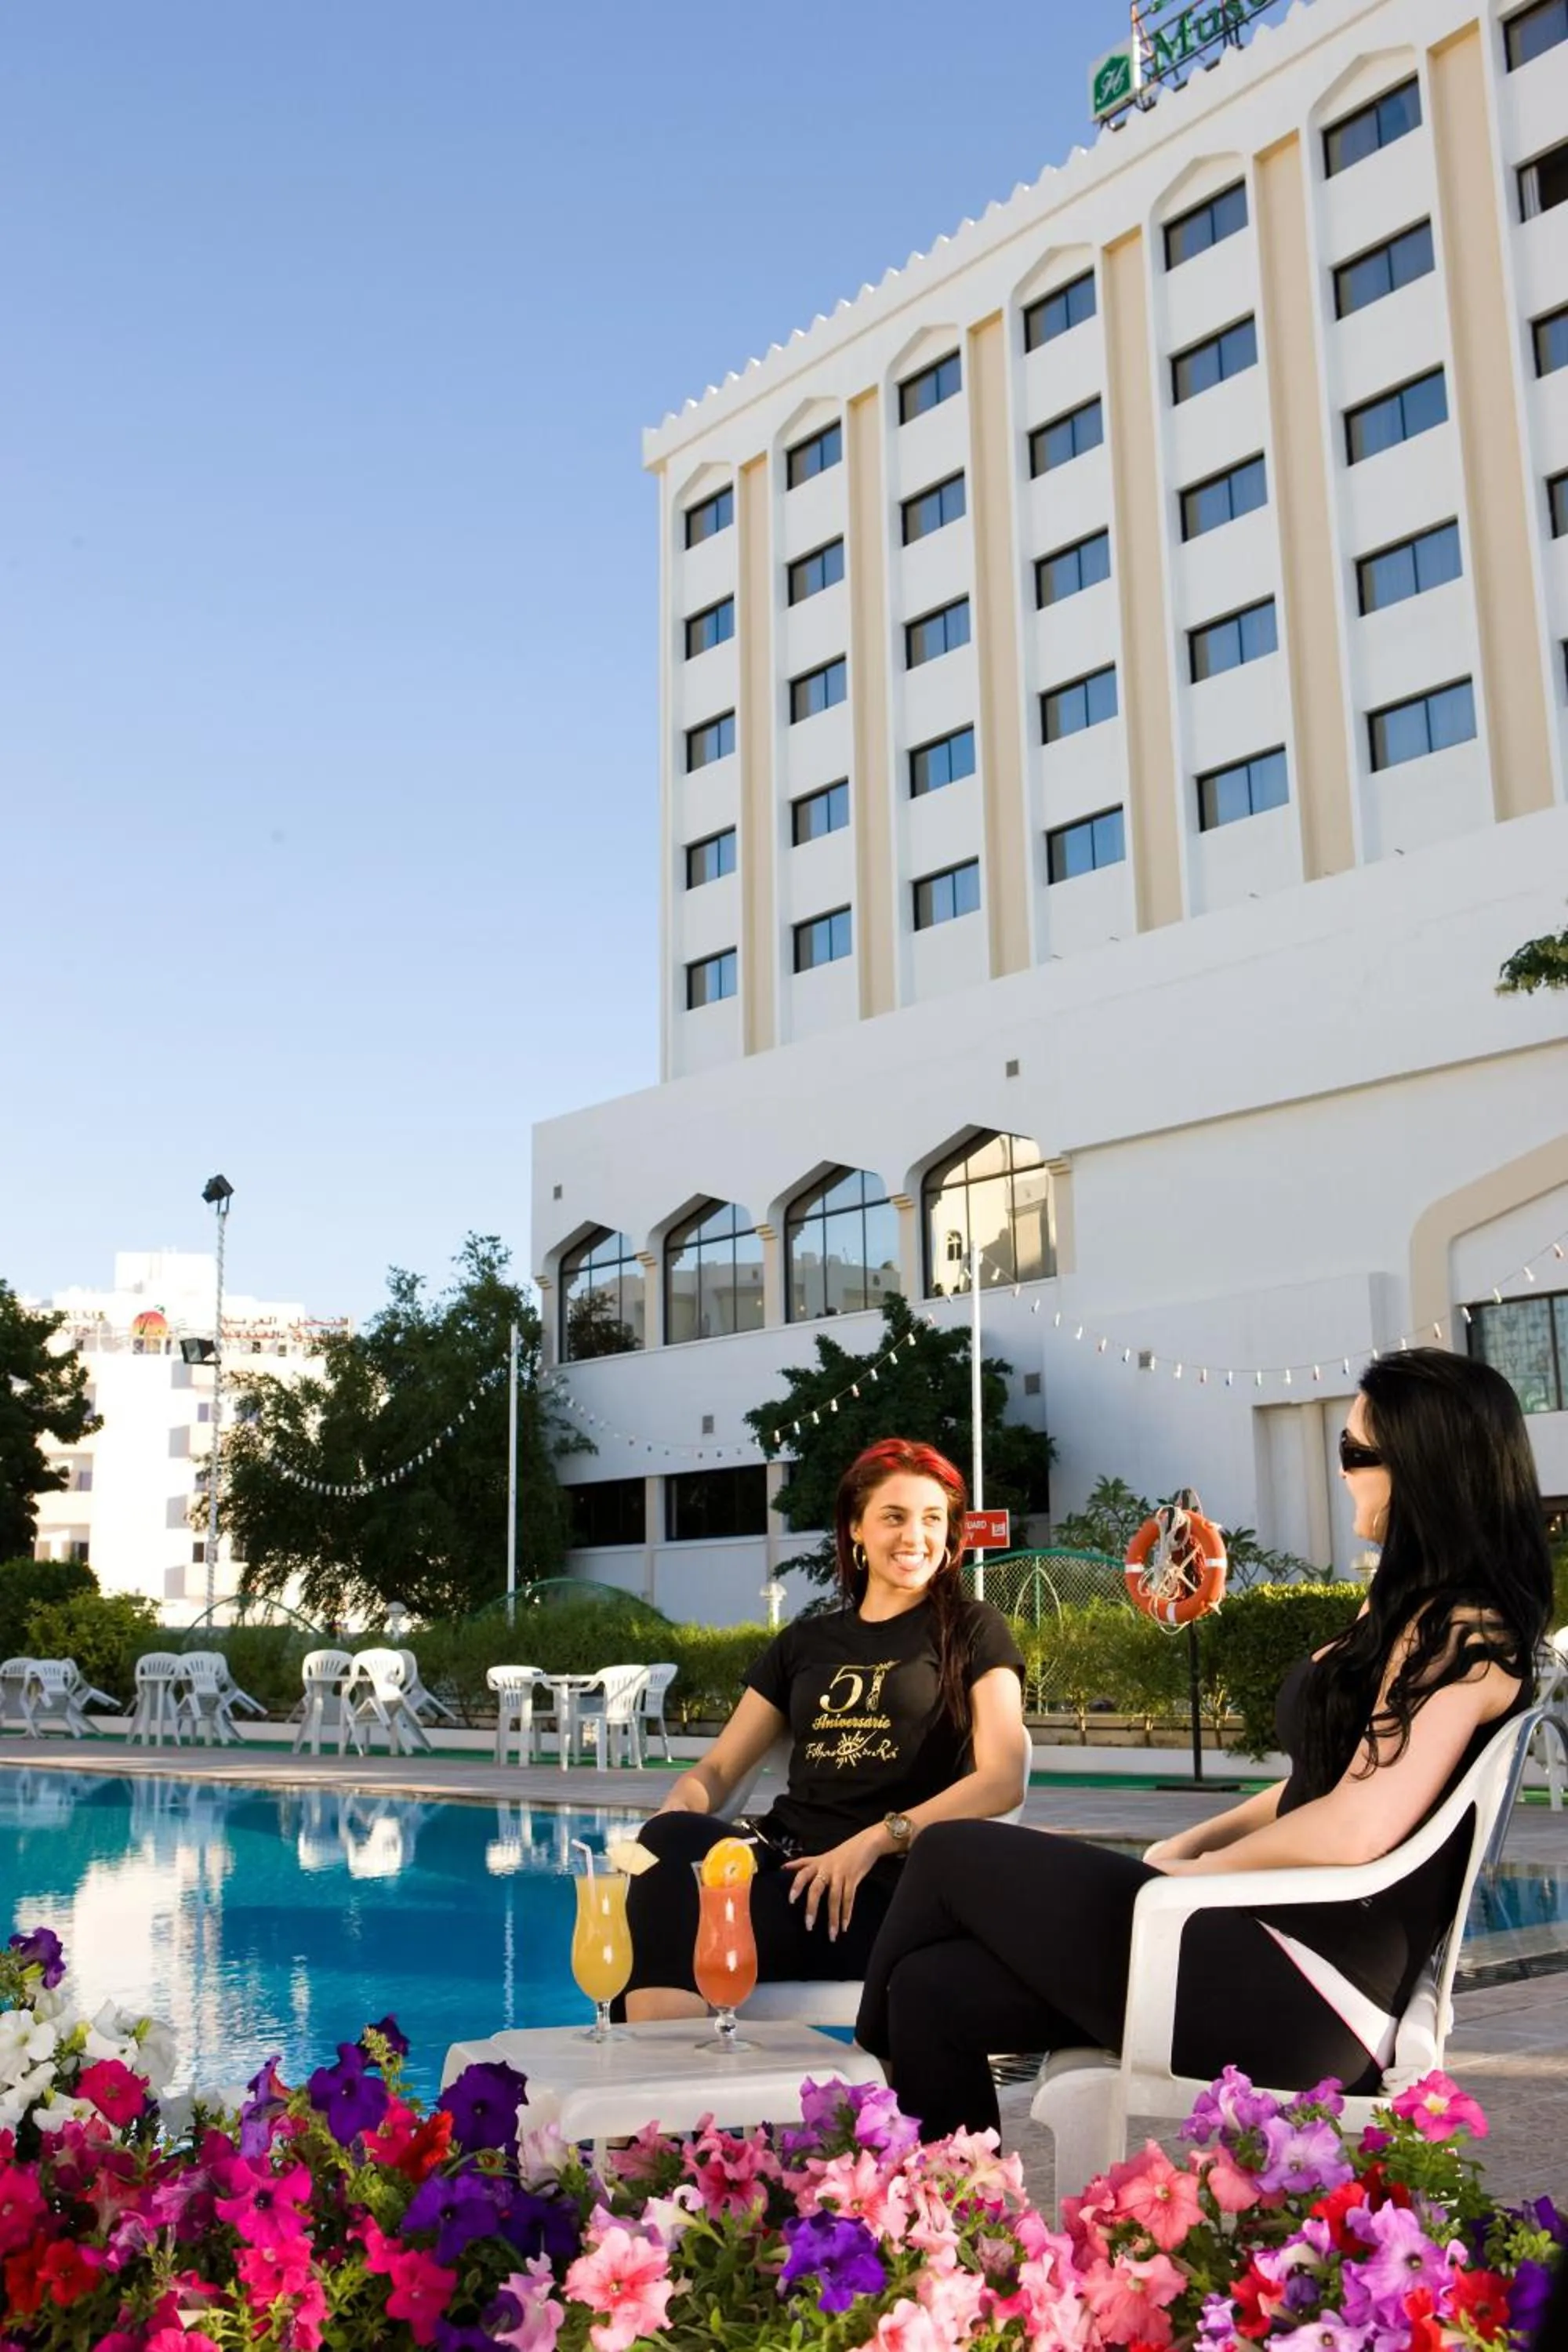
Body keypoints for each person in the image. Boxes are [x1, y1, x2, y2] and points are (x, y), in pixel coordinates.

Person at [856, 1349, 1551, 2140]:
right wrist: (1189, 1841)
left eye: (1356, 1454)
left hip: (1308, 1996)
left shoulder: (1461, 1631)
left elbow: (1359, 1824)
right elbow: (1317, 1787)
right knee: (927, 1989)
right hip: (1266, 1951)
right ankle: (947, 2227)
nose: (1343, 1471)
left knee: (949, 1850)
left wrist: (1192, 1877)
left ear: (1424, 1467)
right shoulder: (1410, 1613)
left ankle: (857, 2096)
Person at [619, 1436, 1029, 2020]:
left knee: (679, 1920)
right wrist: (671, 1815)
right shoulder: (807, 1642)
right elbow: (717, 1769)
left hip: (878, 1886)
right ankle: (673, 2081)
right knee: (665, 1849)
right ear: (856, 1528)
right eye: (894, 1517)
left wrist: (872, 1841)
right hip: (777, 1859)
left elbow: (1003, 1777)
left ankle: (663, 2092)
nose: (916, 1537)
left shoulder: (973, 1628)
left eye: (933, 1519)